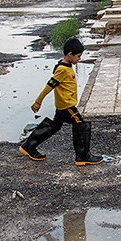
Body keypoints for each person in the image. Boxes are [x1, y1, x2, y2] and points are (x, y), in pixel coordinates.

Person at [19, 37, 103, 166]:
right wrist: (38, 102)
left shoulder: (66, 66)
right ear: (70, 54)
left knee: (54, 126)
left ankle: (28, 146)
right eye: (78, 56)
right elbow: (49, 86)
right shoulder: (62, 70)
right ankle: (82, 156)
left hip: (62, 105)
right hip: (67, 106)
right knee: (81, 125)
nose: (79, 59)